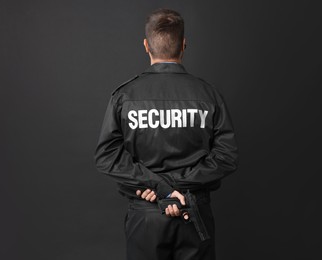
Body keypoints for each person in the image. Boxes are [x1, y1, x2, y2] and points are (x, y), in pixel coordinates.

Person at [94, 8, 238, 260]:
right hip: (193, 210)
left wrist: (161, 189)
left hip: (147, 214)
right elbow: (226, 156)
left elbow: (107, 157)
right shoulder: (209, 95)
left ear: (146, 46)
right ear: (184, 45)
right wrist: (177, 190)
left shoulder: (125, 96)